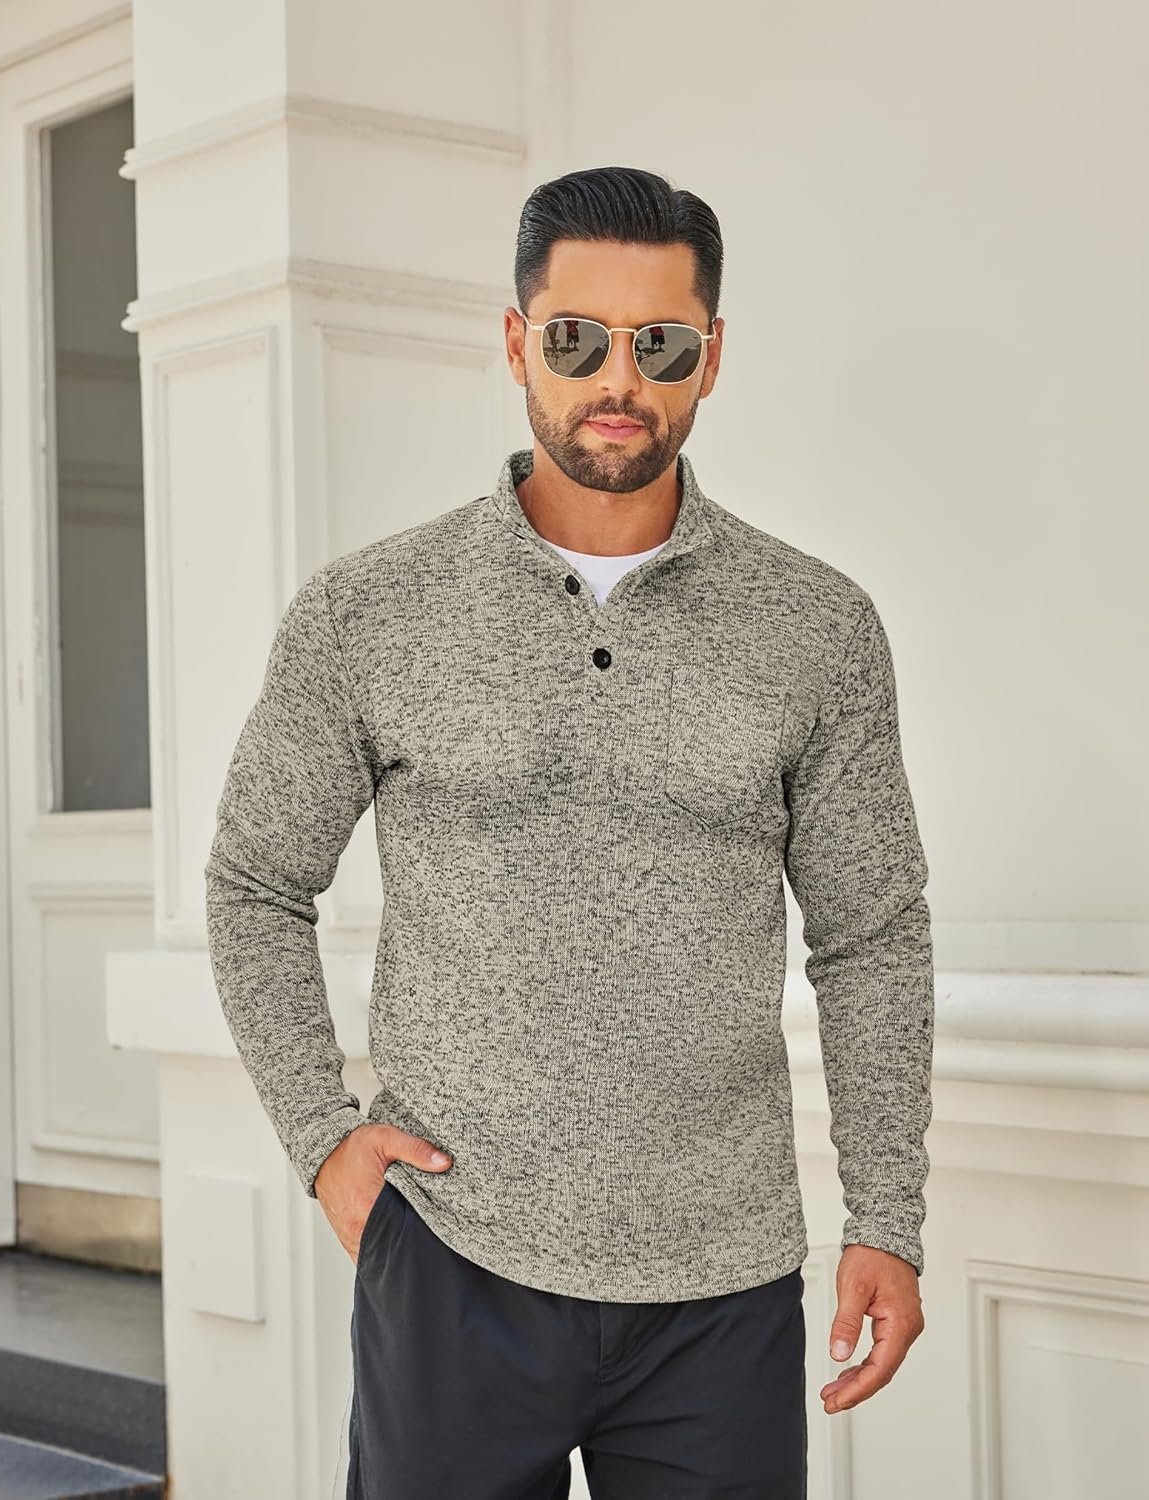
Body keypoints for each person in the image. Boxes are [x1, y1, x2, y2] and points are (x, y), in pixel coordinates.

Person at [205, 164, 934, 1499]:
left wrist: (887, 1215)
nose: (618, 379)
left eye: (661, 344)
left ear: (711, 356)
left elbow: (871, 936)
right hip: (453, 1259)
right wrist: (320, 1136)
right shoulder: (370, 612)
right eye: (576, 338)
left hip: (721, 1284)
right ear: (514, 342)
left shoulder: (816, 628)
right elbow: (256, 882)